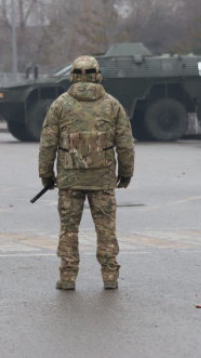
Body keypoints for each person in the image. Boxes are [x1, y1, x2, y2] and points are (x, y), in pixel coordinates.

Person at [38, 55, 135, 290]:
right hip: (102, 180)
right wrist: (126, 172)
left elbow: (48, 142)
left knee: (69, 230)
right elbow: (125, 142)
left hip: (70, 180)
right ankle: (110, 277)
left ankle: (68, 277)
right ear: (97, 74)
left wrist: (46, 174)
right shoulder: (112, 104)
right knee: (106, 229)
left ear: (72, 75)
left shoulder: (60, 104)